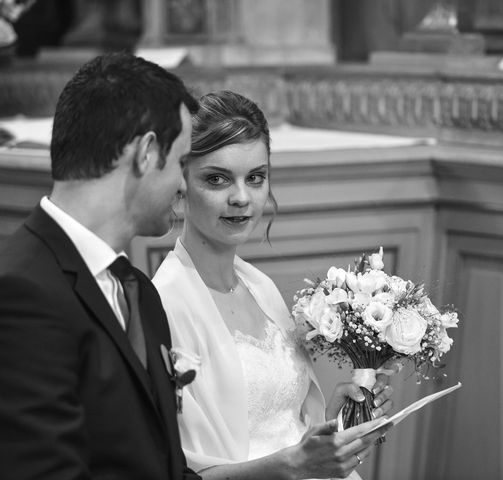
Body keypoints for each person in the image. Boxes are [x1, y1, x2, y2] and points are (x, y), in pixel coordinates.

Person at [153, 90, 393, 480]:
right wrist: (295, 464)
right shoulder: (166, 302)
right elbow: (178, 474)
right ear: (181, 185)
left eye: (255, 178)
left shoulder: (258, 286)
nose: (241, 198)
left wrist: (336, 423)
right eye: (217, 179)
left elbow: (284, 427)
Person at [0, 52, 201, 480]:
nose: (185, 185)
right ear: (147, 152)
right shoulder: (20, 292)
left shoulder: (138, 291)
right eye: (182, 162)